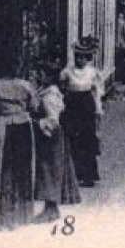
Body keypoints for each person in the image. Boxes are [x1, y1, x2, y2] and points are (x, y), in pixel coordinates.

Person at [0, 75, 42, 230]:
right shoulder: (25, 85)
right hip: (23, 128)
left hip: (2, 126)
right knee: (22, 169)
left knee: (0, 167)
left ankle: (0, 212)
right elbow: (34, 107)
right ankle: (22, 212)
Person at [31, 62, 82, 222]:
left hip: (51, 136)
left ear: (49, 77)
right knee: (47, 170)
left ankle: (51, 209)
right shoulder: (45, 92)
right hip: (49, 136)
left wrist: (36, 123)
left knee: (50, 170)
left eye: (40, 74)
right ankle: (50, 208)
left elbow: (53, 120)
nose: (37, 77)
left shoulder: (50, 95)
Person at [60, 39, 105, 186]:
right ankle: (74, 174)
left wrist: (98, 109)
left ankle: (88, 175)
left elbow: (97, 92)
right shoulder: (67, 71)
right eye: (78, 56)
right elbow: (62, 90)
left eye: (84, 57)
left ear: (89, 58)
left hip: (86, 105)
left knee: (87, 138)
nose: (81, 60)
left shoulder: (93, 73)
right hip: (72, 105)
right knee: (73, 137)